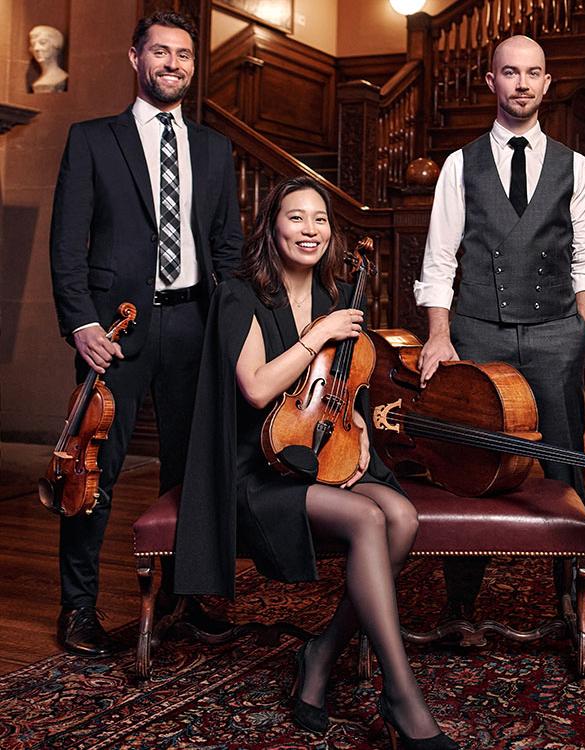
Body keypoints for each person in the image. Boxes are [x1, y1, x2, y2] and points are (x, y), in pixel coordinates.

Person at [173, 176, 458, 748]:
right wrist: (318, 334)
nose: (310, 230)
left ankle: (321, 652)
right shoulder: (240, 294)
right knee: (368, 519)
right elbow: (255, 389)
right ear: (272, 226)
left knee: (401, 514)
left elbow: (346, 392)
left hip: (321, 456)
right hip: (259, 469)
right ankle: (402, 694)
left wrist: (358, 443)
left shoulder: (333, 298)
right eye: (296, 217)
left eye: (320, 219)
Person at [48, 11, 243, 657]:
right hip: (115, 329)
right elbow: (66, 244)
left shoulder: (215, 149)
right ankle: (77, 609)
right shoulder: (91, 139)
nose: (172, 64)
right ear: (135, 58)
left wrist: (234, 325)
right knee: (92, 467)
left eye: (183, 55)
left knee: (191, 469)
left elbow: (227, 247)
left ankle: (184, 600)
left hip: (193, 324)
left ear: (193, 65)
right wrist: (80, 322)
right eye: (160, 52)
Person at [414, 35, 585, 641]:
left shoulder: (577, 167)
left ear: (547, 83)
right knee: (468, 466)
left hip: (555, 334)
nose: (521, 84)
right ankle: (460, 604)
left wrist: (579, 331)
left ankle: (571, 597)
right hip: (474, 332)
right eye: (509, 73)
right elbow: (440, 258)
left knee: (563, 461)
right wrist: (439, 335)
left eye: (532, 74)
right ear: (491, 82)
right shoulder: (458, 164)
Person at [29, 25, 69, 93]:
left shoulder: (61, 78)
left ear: (55, 45)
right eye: (33, 44)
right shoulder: (38, 82)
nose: (36, 48)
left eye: (42, 43)